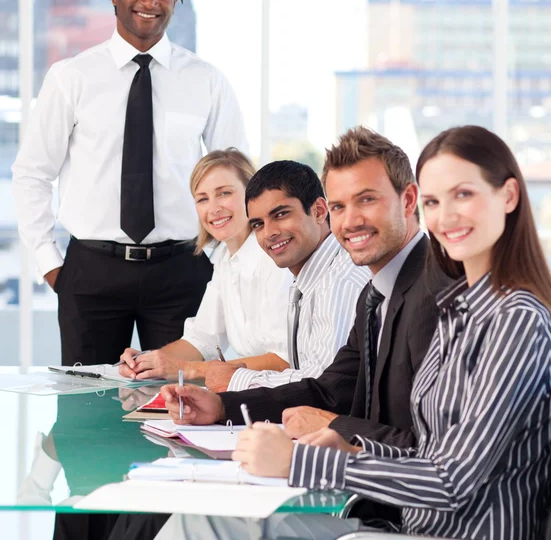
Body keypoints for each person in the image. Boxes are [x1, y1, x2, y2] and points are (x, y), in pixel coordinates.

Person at [231, 125, 551, 540]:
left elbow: (452, 480)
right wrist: (349, 445)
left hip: (454, 534)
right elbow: (429, 448)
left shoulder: (516, 319)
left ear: (508, 196)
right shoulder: (460, 309)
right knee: (208, 521)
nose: (446, 216)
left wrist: (299, 461)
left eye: (464, 195)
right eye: (436, 201)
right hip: (407, 527)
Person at [161, 128, 450, 531]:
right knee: (201, 516)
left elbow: (439, 458)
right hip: (376, 505)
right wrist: (221, 408)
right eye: (340, 206)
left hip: (415, 522)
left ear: (409, 200)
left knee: (205, 521)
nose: (349, 221)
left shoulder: (442, 297)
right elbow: (330, 389)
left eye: (366, 200)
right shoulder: (376, 293)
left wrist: (325, 434)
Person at [11, 0, 248, 367]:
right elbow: (31, 174)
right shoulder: (71, 78)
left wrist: (217, 260)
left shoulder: (207, 81)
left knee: (182, 407)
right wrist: (51, 264)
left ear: (176, 0)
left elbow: (239, 181)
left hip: (183, 270)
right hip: (92, 271)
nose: (150, 0)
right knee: (87, 414)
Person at [117, 148, 292, 383]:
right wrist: (148, 361)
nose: (214, 208)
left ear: (252, 195)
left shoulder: (275, 260)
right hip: (253, 391)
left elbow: (284, 360)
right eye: (202, 199)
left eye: (224, 193)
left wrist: (188, 369)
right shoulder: (224, 260)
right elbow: (202, 340)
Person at [201, 160, 371, 393]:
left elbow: (323, 386)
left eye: (281, 214)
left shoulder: (339, 282)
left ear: (319, 211)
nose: (269, 233)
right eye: (258, 224)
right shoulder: (306, 279)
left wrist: (237, 380)